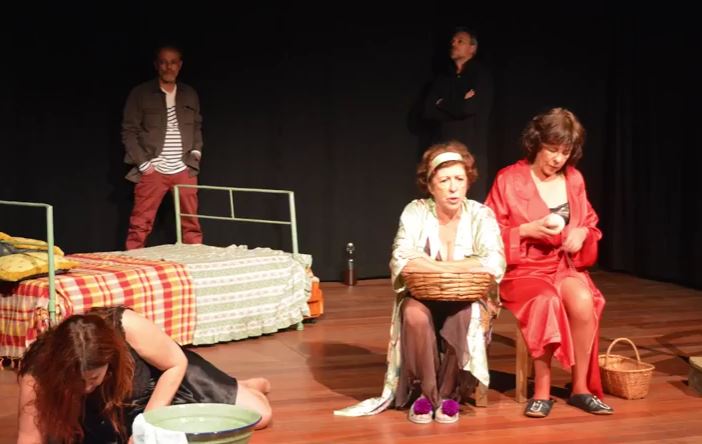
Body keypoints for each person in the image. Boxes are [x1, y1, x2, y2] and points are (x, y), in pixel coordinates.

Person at [334, 141, 505, 423]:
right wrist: (456, 268)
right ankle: (427, 394)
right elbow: (403, 258)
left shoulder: (480, 214)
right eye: (444, 180)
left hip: (467, 296)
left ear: (468, 181)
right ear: (430, 185)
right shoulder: (416, 211)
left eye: (459, 179)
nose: (453, 188)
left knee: (465, 315)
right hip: (422, 294)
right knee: (414, 315)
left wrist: (435, 266)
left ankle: (448, 394)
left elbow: (493, 261)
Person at [485, 107, 614, 418]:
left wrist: (582, 233)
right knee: (546, 301)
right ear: (536, 143)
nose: (558, 159)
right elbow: (485, 232)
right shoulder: (509, 179)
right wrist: (524, 231)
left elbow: (590, 222)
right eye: (552, 149)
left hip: (563, 265)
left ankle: (580, 389)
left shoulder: (574, 179)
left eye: (565, 152)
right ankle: (541, 391)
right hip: (522, 269)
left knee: (583, 300)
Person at [16, 307, 272, 443]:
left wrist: (144, 428)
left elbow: (175, 364)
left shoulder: (126, 325)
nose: (85, 388)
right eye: (76, 381)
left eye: (92, 379)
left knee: (260, 416)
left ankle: (245, 387)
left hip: (163, 385)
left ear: (109, 361)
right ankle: (236, 387)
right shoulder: (38, 369)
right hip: (106, 414)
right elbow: (28, 437)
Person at [122, 44, 204, 250]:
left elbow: (197, 125)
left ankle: (195, 261)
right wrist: (143, 164)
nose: (169, 67)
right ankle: (133, 261)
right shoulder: (141, 93)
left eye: (173, 62)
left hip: (183, 168)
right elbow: (129, 131)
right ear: (156, 65)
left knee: (191, 222)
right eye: (164, 62)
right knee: (140, 223)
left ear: (180, 65)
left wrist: (195, 153)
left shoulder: (189, 93)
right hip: (153, 169)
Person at [423, 27, 494, 201]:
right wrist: (460, 103)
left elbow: (469, 108)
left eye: (460, 41)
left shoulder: (481, 75)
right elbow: (428, 111)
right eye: (453, 41)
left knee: (471, 203)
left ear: (472, 48)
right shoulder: (442, 78)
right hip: (443, 151)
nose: (454, 44)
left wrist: (443, 104)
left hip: (472, 151)